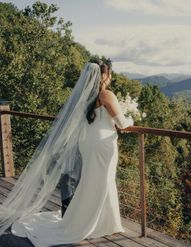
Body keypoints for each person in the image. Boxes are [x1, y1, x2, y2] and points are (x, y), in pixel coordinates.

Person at [0, 61, 134, 246]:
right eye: (109, 74)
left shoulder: (85, 95)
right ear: (104, 76)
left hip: (87, 143)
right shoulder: (106, 94)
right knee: (103, 180)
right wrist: (131, 117)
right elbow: (121, 123)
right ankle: (100, 222)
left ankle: (102, 220)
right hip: (102, 145)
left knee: (92, 180)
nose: (110, 77)